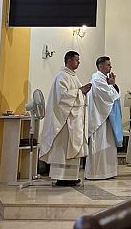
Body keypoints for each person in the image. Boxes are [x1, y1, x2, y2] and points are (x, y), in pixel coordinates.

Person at [39, 51, 90, 186]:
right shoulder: (62, 76)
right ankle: (61, 177)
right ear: (68, 60)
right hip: (65, 122)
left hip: (73, 119)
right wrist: (81, 91)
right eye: (76, 60)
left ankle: (71, 177)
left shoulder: (73, 77)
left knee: (72, 148)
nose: (79, 62)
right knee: (63, 149)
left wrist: (82, 92)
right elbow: (62, 97)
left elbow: (75, 95)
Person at [85, 56, 122, 180]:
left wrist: (113, 84)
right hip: (99, 119)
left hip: (106, 118)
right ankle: (96, 173)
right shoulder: (97, 79)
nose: (110, 67)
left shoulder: (104, 79)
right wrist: (111, 85)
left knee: (108, 145)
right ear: (100, 66)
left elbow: (114, 94)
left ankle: (108, 172)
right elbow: (109, 97)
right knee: (100, 144)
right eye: (108, 65)